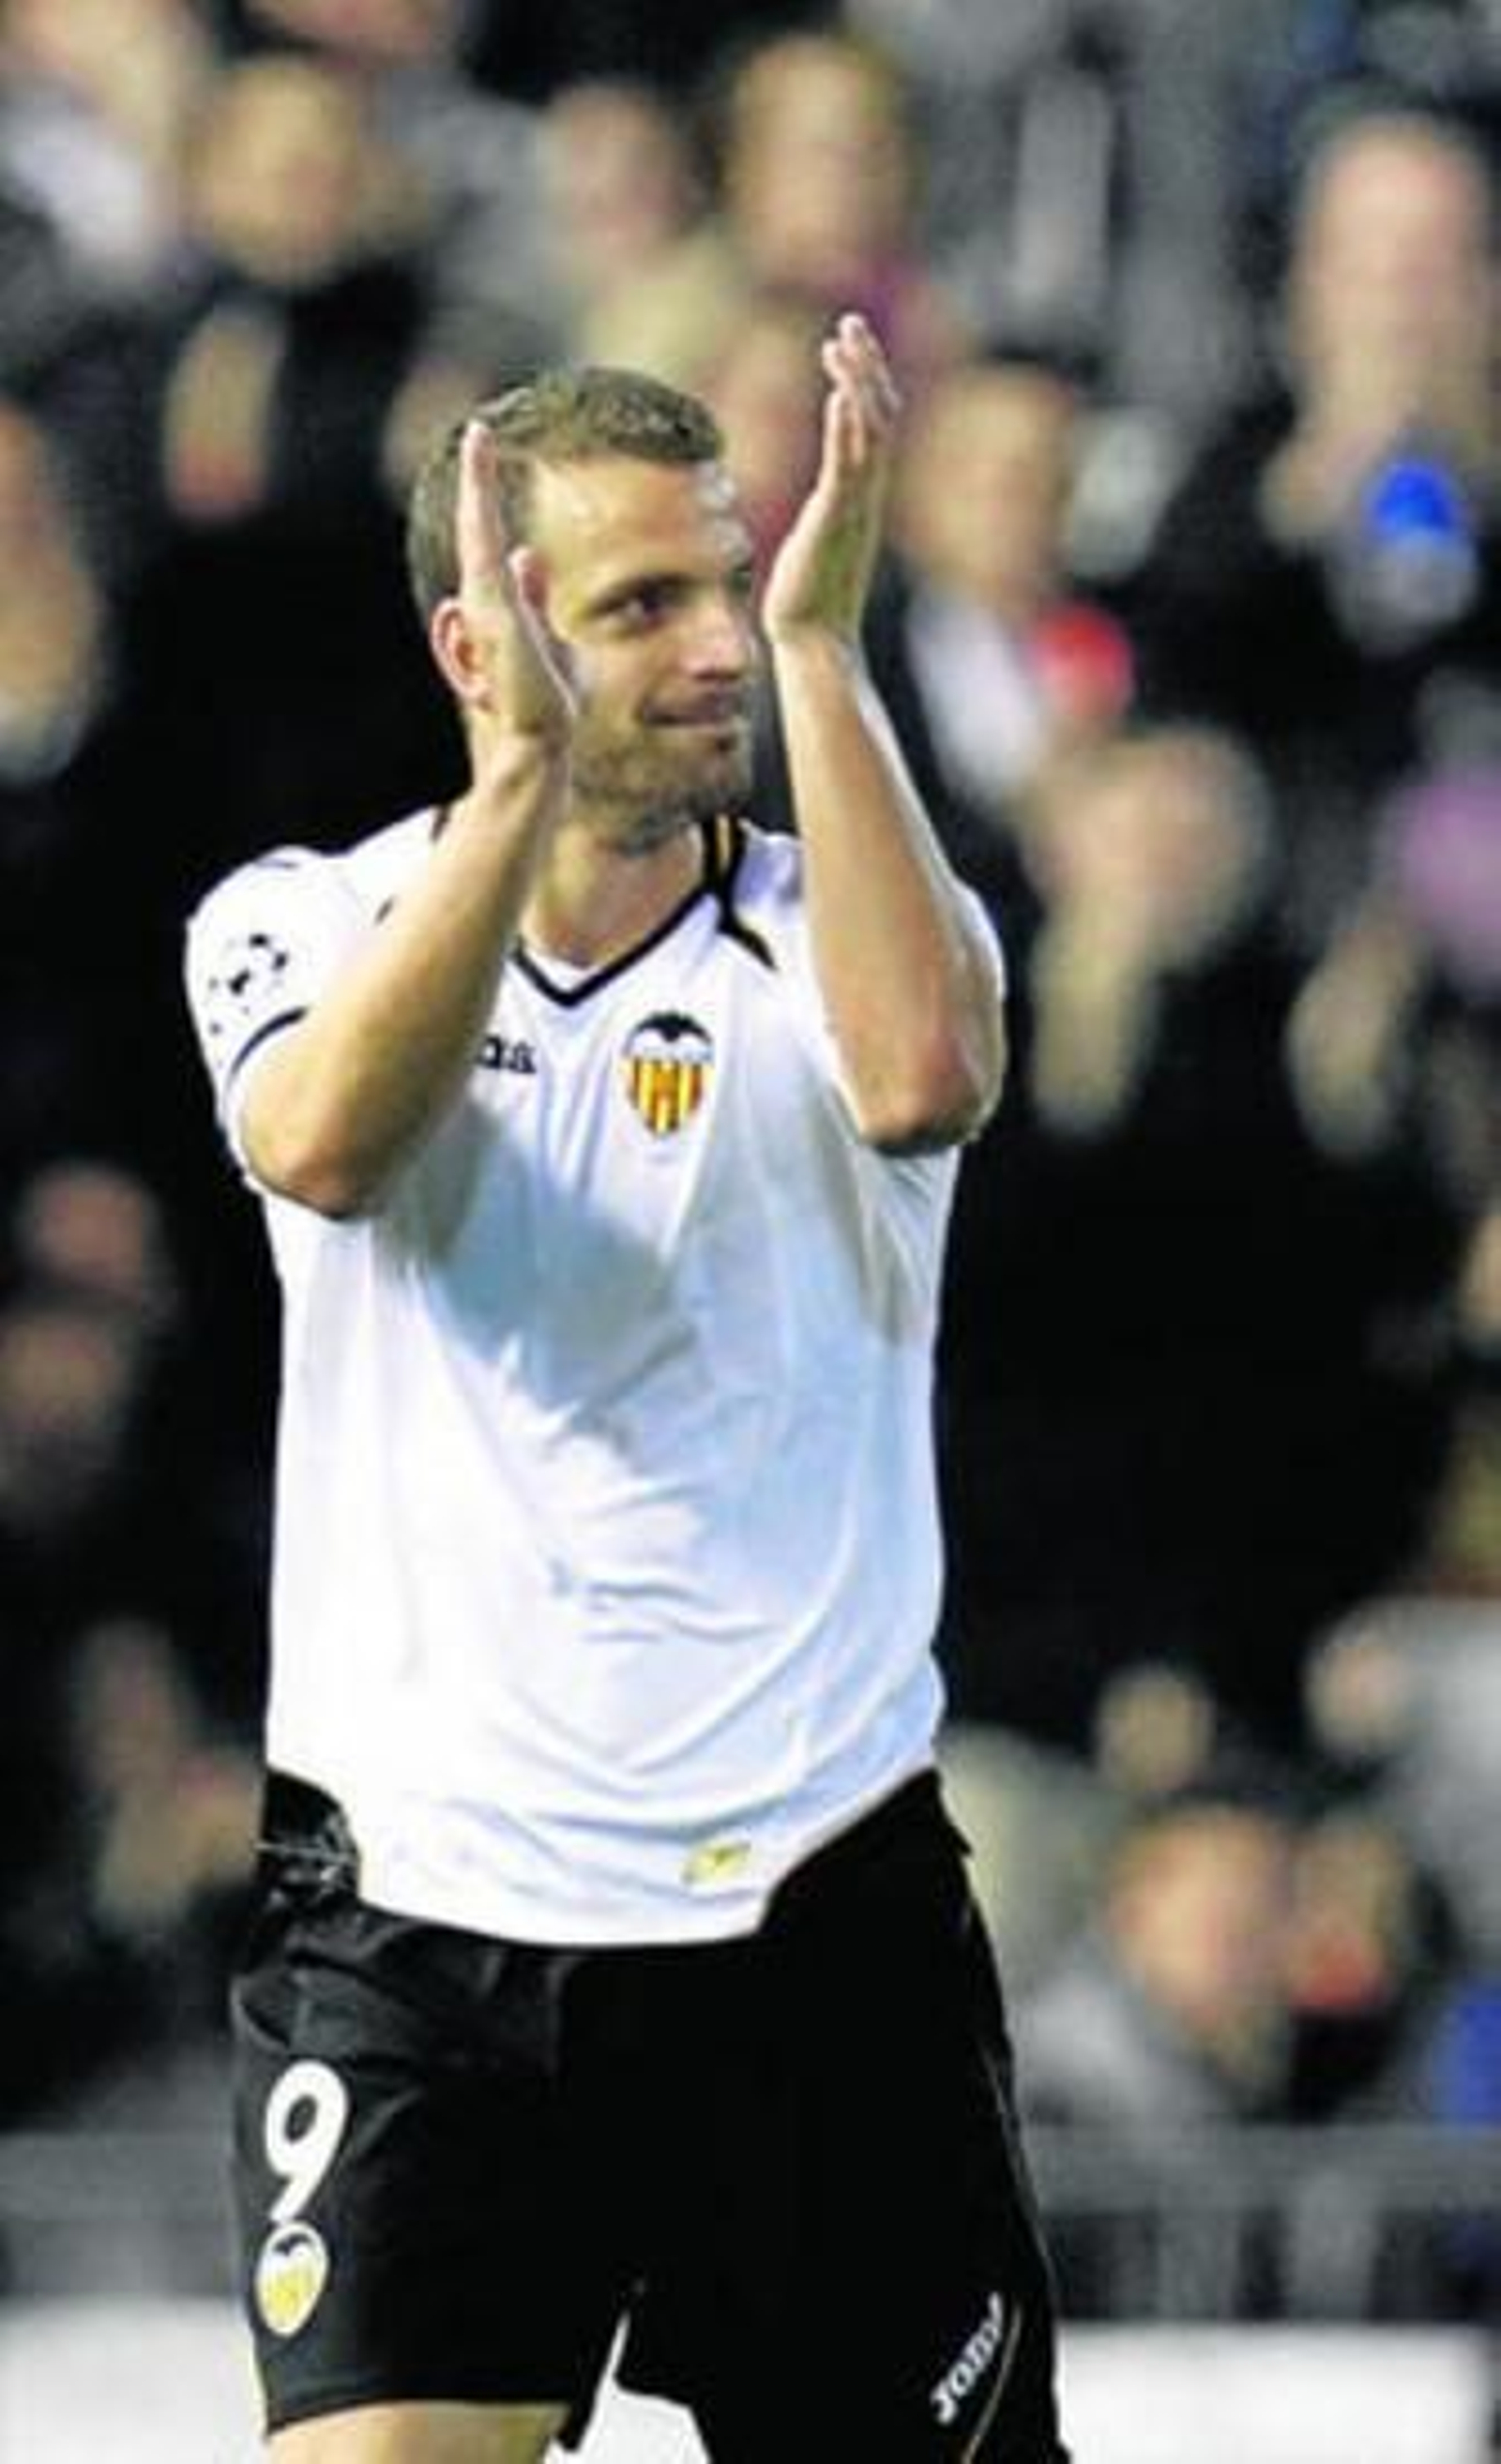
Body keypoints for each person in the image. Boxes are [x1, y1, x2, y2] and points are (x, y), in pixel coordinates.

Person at [184, 314, 1070, 2460]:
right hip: (421, 1930)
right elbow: (325, 1142)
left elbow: (922, 1077)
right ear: (480, 648)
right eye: (640, 605)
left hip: (810, 1927)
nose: (712, 650)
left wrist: (832, 657)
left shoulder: (843, 930)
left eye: (728, 579)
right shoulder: (301, 920)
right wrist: (508, 801)